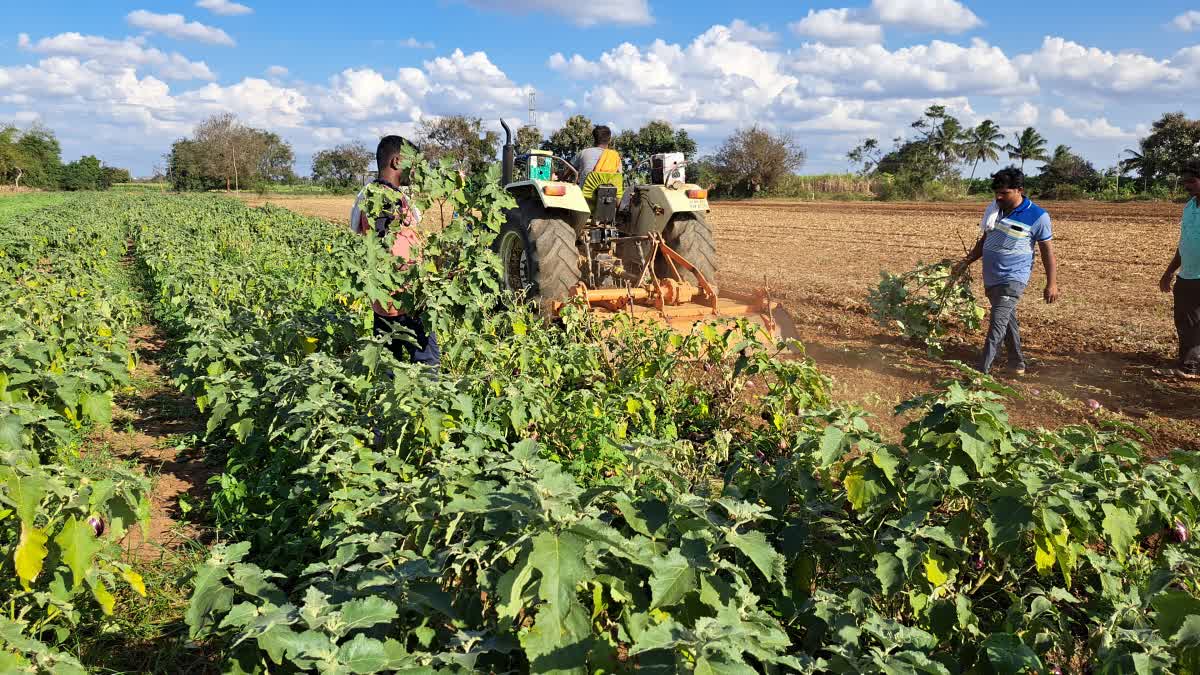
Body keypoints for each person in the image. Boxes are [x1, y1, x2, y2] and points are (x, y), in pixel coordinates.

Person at [953, 168, 1059, 375]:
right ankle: (1017, 363)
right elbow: (984, 241)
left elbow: (1048, 253)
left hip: (1014, 278)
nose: (998, 197)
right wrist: (964, 263)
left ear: (1019, 190)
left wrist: (1051, 283)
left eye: (1004, 193)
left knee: (996, 324)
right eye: (996, 193)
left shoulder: (1037, 216)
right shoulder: (994, 211)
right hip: (992, 277)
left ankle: (980, 373)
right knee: (1006, 319)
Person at [350, 135, 440, 369]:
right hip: (404, 301)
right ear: (397, 162)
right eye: (413, 163)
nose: (415, 169)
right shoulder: (383, 198)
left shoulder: (374, 194)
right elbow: (384, 242)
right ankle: (428, 403)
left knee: (390, 366)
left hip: (384, 302)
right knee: (426, 362)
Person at [1157, 162, 1200, 379]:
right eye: (1185, 181)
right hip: (1188, 275)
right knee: (1185, 322)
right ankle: (1189, 364)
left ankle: (1190, 367)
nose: (1186, 185)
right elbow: (1185, 243)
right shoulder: (1190, 206)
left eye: (1192, 181)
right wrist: (1169, 271)